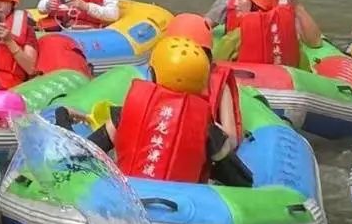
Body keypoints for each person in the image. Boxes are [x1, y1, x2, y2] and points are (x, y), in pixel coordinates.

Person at [81, 37, 249, 185]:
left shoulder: (124, 114)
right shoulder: (208, 130)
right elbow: (242, 182)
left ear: (153, 75)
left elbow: (85, 152)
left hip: (129, 201)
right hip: (183, 210)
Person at [162, 11, 241, 149]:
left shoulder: (218, 85)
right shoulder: (160, 75)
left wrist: (207, 129)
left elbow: (231, 138)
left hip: (200, 150)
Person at [216, 0, 320, 67]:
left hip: (248, 84)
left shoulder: (237, 36)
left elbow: (215, 63)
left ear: (255, 4)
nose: (235, 3)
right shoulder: (287, 33)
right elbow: (303, 66)